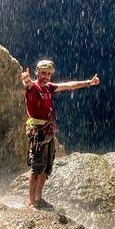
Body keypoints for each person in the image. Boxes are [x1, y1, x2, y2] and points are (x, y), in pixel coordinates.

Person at [20, 59, 99, 209]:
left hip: (48, 131)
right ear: (37, 73)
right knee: (36, 167)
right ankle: (31, 202)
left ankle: (38, 198)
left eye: (49, 74)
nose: (46, 76)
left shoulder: (48, 87)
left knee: (46, 167)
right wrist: (26, 79)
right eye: (43, 73)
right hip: (38, 133)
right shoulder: (34, 87)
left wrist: (89, 82)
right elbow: (28, 84)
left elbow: (68, 86)